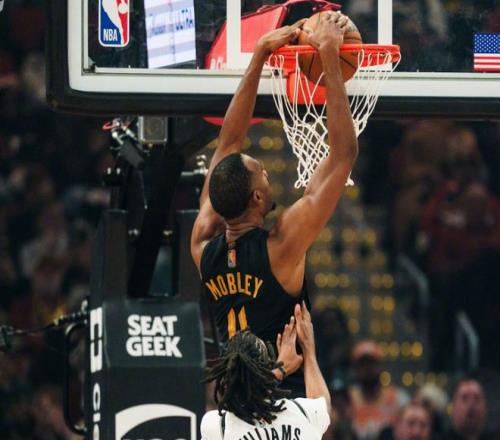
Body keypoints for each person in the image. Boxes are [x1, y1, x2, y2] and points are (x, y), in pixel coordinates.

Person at [191, 12, 358, 395]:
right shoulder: (280, 246)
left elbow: (228, 143)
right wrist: (329, 56)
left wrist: (260, 56)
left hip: (236, 400)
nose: (267, 173)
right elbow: (343, 155)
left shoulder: (203, 246)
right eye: (262, 173)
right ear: (257, 198)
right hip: (285, 402)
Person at [201, 302, 331, 440]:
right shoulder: (303, 414)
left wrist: (279, 371)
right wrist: (307, 347)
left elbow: (244, 394)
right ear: (267, 364)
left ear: (225, 377)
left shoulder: (218, 427)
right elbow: (322, 403)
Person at [348, 340, 409, 440]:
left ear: (380, 366)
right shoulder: (347, 400)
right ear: (355, 368)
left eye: (371, 363)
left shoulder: (398, 399)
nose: (367, 369)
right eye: (362, 364)